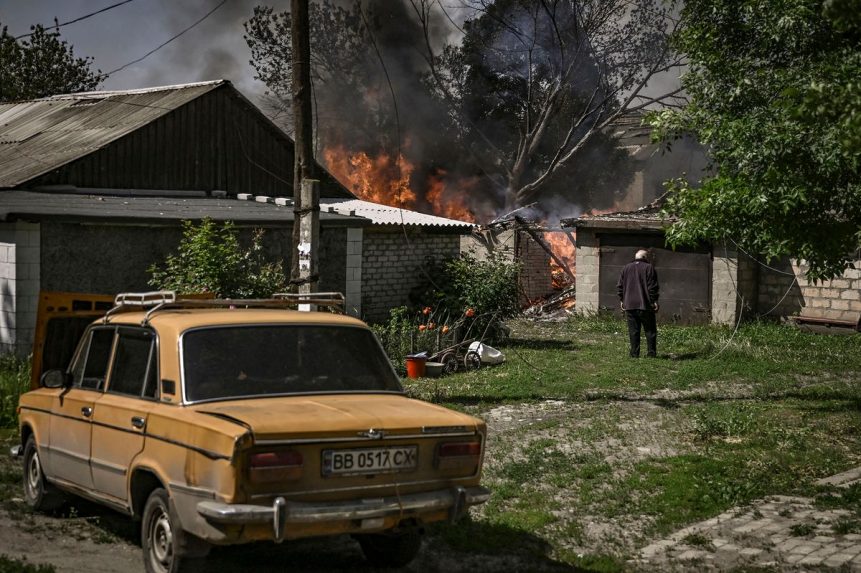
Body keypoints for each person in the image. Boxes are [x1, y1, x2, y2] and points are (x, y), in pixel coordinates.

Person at [617, 249, 659, 358]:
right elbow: (652, 287)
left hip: (629, 304)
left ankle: (634, 354)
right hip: (645, 304)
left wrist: (622, 300)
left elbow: (620, 286)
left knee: (633, 330)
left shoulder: (626, 268)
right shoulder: (649, 267)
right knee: (650, 330)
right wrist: (654, 301)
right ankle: (651, 353)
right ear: (645, 257)